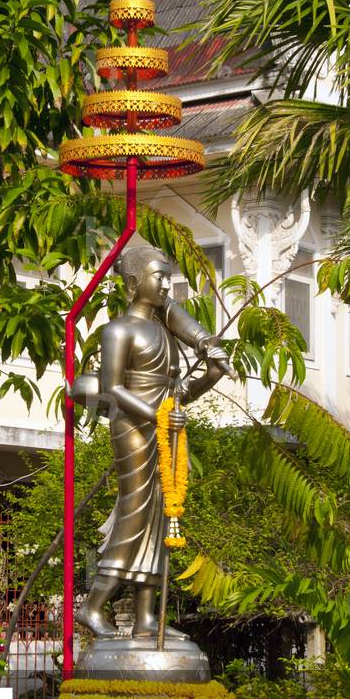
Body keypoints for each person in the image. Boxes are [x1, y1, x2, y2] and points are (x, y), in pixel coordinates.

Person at [73, 245, 233, 640]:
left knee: (162, 516)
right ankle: (92, 606)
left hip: (164, 428)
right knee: (136, 510)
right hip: (132, 427)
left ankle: (147, 619)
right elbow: (113, 388)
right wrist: (157, 415)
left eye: (167, 277)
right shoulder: (118, 330)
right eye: (158, 277)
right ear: (132, 283)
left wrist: (210, 373)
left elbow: (178, 396)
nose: (165, 284)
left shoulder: (164, 331)